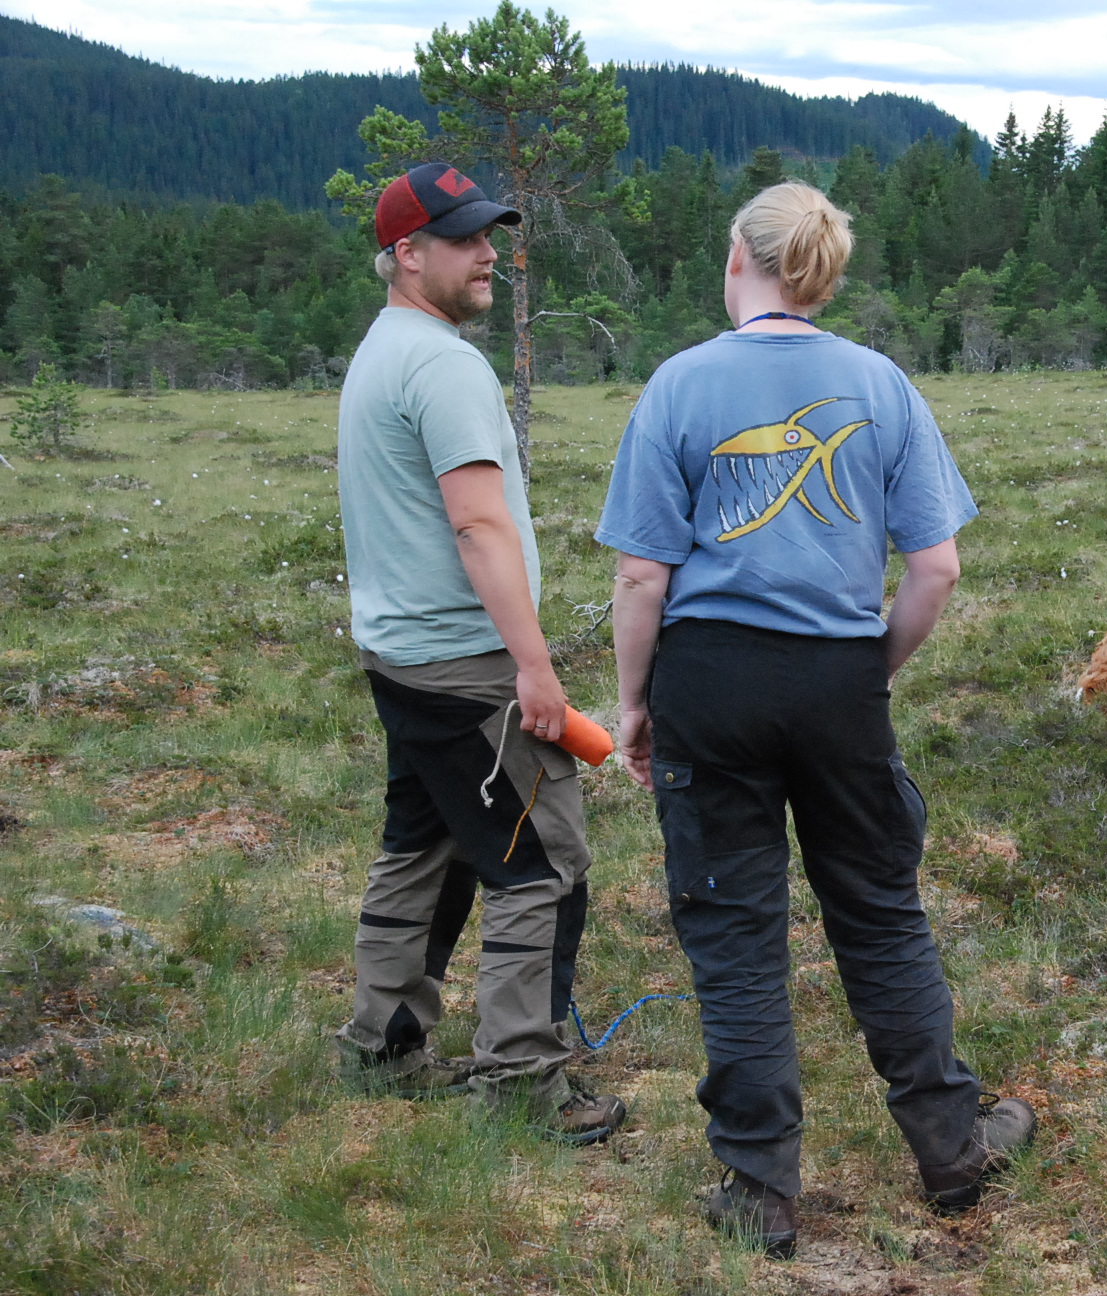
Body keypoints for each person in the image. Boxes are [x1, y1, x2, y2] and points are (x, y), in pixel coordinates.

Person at [596, 181, 1035, 1257]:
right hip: (838, 680)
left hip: (711, 683)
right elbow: (934, 569)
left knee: (734, 933)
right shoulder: (882, 384)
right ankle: (949, 1151)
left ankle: (758, 1188)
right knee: (880, 913)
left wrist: (635, 705)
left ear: (736, 261)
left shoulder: (678, 384)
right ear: (821, 275)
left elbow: (641, 580)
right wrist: (865, 672)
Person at [332, 162, 625, 1144]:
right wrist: (532, 671)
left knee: (421, 846)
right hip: (467, 670)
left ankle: (382, 1045)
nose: (488, 251)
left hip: (401, 661)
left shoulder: (383, 347)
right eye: (464, 238)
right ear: (407, 255)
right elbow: (479, 527)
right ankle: (523, 1088)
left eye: (489, 232)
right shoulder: (444, 364)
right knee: (540, 866)